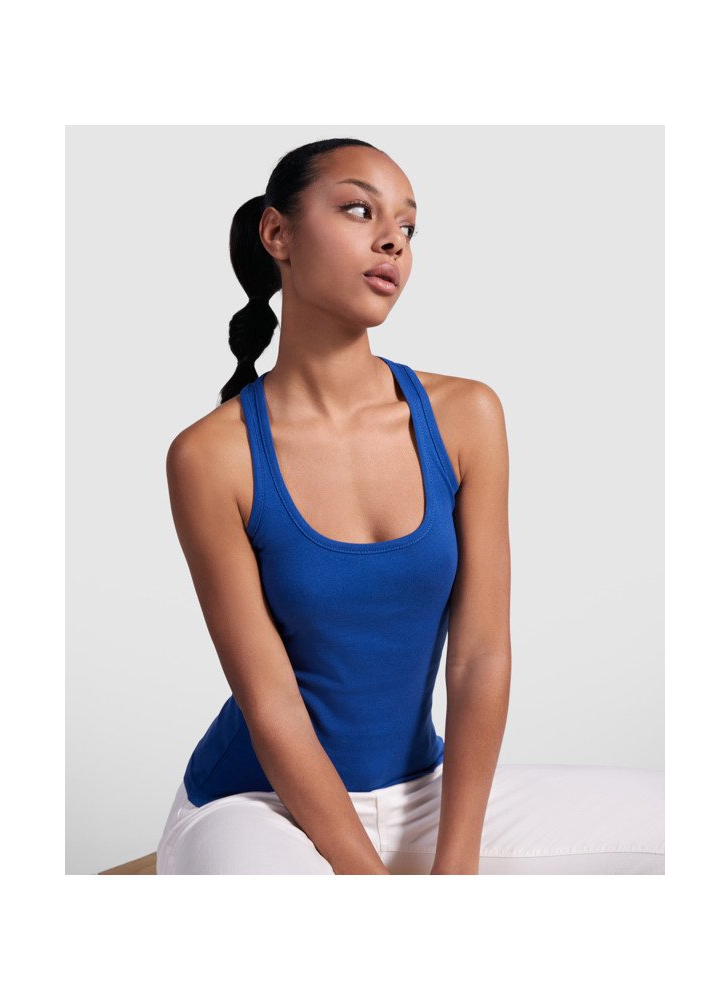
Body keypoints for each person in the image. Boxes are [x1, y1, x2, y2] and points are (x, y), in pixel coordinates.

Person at [156, 137, 664, 874]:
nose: (392, 239)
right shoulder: (212, 455)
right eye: (359, 210)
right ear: (277, 234)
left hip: (424, 789)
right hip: (258, 803)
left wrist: (456, 866)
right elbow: (270, 703)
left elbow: (481, 656)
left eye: (408, 225)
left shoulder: (466, 416)